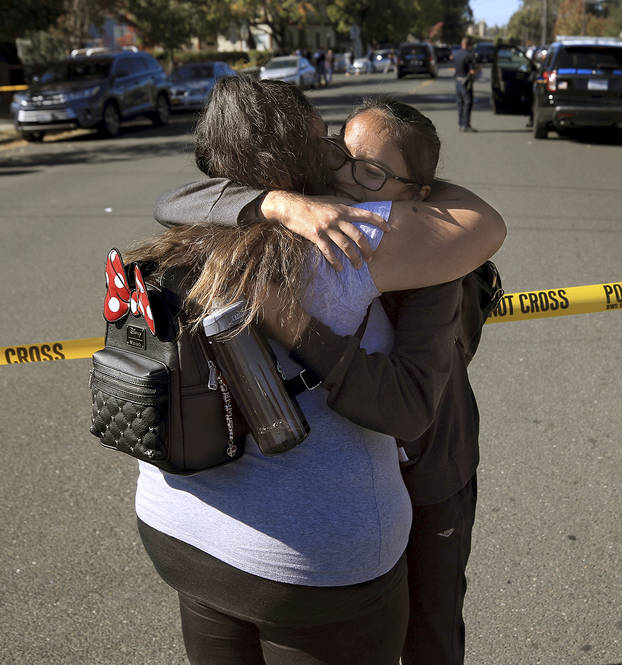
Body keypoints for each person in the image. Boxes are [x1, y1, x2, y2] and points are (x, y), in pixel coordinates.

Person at [131, 78, 504, 665]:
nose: (337, 164)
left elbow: (173, 198)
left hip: (180, 528)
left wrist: (273, 206)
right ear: (291, 157)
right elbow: (482, 220)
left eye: (364, 167)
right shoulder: (346, 239)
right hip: (306, 559)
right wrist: (287, 209)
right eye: (326, 143)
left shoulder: (190, 236)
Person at [452, 37, 479, 132]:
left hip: (457, 81)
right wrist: (478, 69)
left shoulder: (456, 54)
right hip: (465, 82)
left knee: (460, 103)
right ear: (469, 45)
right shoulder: (469, 55)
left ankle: (460, 124)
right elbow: (472, 71)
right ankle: (466, 125)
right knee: (468, 102)